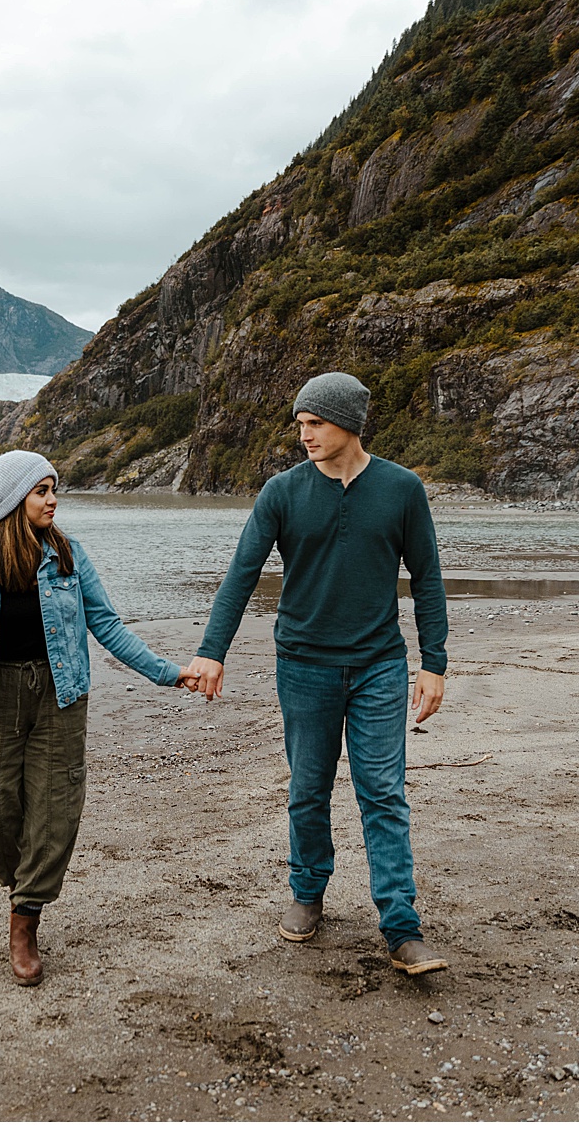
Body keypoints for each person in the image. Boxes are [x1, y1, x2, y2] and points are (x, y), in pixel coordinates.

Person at [184, 372, 451, 976]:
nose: (304, 434)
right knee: (308, 787)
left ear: (350, 424)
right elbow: (241, 574)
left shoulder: (402, 490)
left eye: (316, 423)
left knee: (382, 791)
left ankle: (401, 926)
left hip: (380, 664)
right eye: (300, 423)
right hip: (304, 664)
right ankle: (308, 893)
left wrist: (434, 662)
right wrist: (211, 650)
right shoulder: (282, 492)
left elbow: (428, 581)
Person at [0, 449, 198, 986]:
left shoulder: (69, 555)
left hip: (61, 695)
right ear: (14, 501)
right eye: (42, 490)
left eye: (54, 489)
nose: (53, 500)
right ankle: (25, 885)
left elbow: (108, 626)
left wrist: (169, 673)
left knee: (55, 811)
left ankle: (25, 919)